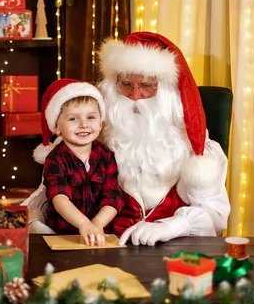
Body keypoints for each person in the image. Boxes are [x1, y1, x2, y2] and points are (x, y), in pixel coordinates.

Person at [25, 32, 230, 246]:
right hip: (98, 249)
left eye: (146, 85)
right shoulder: (90, 136)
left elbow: (215, 217)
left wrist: (170, 226)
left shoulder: (195, 150)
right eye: (126, 84)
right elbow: (47, 195)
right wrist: (37, 222)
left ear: (167, 93)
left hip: (169, 253)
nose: (135, 96)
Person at [33, 79, 123, 246]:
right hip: (62, 235)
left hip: (101, 234)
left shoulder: (106, 156)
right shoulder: (55, 159)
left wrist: (96, 225)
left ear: (100, 123)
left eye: (91, 117)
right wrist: (84, 224)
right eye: (73, 119)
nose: (84, 124)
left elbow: (112, 197)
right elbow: (59, 197)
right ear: (57, 127)